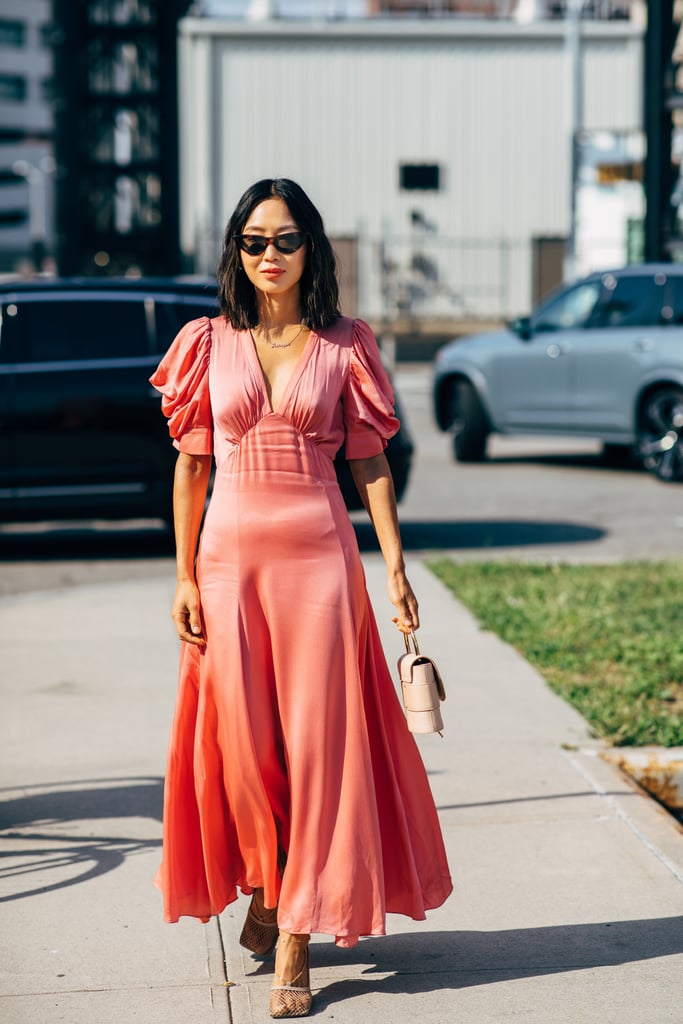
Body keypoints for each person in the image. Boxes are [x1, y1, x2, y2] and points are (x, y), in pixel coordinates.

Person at [150, 178, 452, 1019]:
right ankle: (268, 886)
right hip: (227, 565)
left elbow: (368, 463)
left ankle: (294, 933)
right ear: (235, 253)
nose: (269, 256)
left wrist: (393, 568)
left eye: (284, 240)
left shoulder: (346, 343)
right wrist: (181, 574)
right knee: (246, 754)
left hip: (320, 562)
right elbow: (192, 467)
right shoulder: (206, 341)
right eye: (252, 242)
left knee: (320, 750)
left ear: (310, 247)